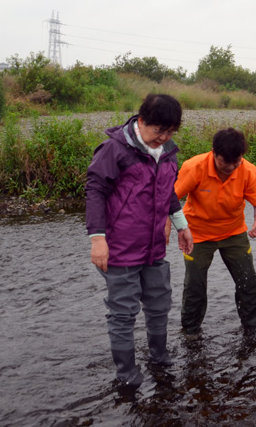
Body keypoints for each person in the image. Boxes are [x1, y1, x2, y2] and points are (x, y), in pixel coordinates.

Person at [86, 93, 193, 388]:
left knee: (159, 304)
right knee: (123, 313)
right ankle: (127, 373)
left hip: (154, 247)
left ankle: (159, 356)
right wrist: (98, 239)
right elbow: (95, 191)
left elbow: (168, 191)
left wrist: (181, 225)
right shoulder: (114, 150)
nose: (163, 137)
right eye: (158, 130)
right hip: (119, 249)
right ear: (142, 121)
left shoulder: (167, 152)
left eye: (170, 132)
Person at [174, 127, 256, 333]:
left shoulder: (247, 170)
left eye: (236, 162)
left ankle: (253, 327)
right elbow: (170, 200)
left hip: (234, 232)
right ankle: (190, 332)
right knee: (195, 287)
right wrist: (176, 228)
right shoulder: (194, 167)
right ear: (214, 153)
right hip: (197, 234)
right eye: (225, 162)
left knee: (248, 282)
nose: (231, 167)